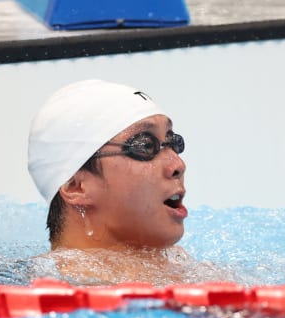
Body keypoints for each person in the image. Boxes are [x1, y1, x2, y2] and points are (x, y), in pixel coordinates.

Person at [26, 79, 225, 285]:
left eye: (173, 142)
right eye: (145, 146)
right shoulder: (45, 292)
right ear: (77, 187)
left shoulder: (198, 275)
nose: (178, 164)